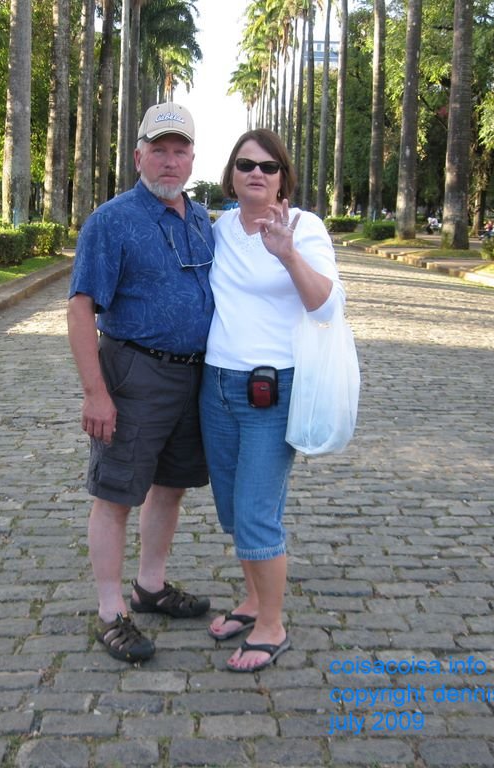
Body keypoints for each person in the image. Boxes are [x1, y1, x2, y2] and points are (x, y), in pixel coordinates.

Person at [67, 102, 215, 663]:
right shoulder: (112, 220)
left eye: (180, 151)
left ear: (193, 158)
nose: (170, 162)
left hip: (192, 375)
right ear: (138, 155)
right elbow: (81, 309)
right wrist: (95, 392)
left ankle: (150, 587)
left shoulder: (201, 220)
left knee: (170, 486)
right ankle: (110, 612)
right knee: (115, 493)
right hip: (133, 372)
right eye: (159, 149)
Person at [201, 128, 343, 673]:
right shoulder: (219, 230)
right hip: (216, 386)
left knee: (259, 512)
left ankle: (271, 625)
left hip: (271, 391)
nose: (256, 173)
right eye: (244, 165)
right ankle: (255, 599)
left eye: (268, 166)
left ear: (283, 175)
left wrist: (286, 256)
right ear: (231, 176)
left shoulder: (303, 228)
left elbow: (325, 305)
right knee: (235, 509)